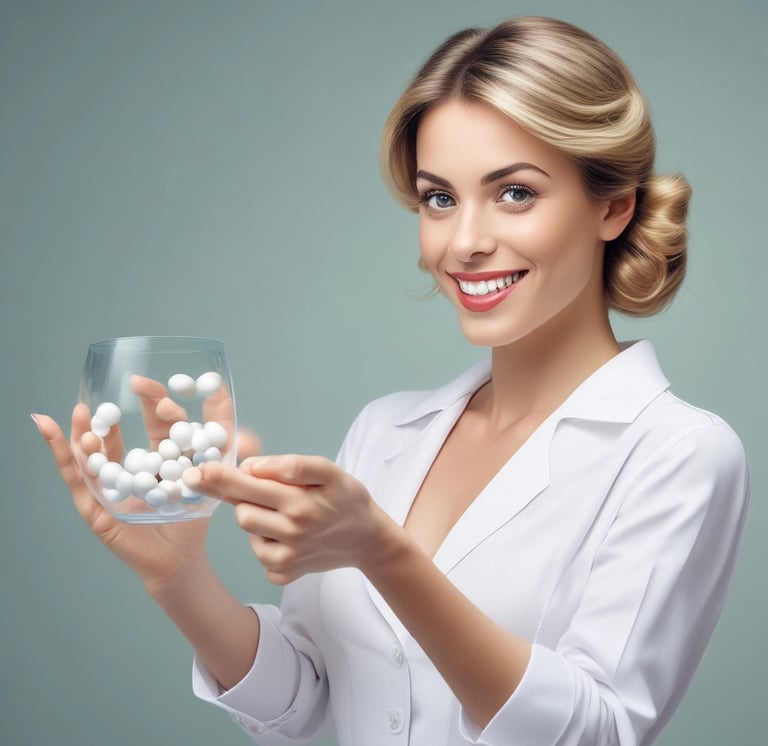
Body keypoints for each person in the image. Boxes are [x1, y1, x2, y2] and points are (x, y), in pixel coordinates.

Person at [35, 15, 749, 746]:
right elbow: (312, 700)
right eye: (440, 198)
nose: (465, 243)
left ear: (613, 205)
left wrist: (385, 553)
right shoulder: (387, 430)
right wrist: (180, 579)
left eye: (515, 193)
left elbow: (593, 734)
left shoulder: (678, 453)